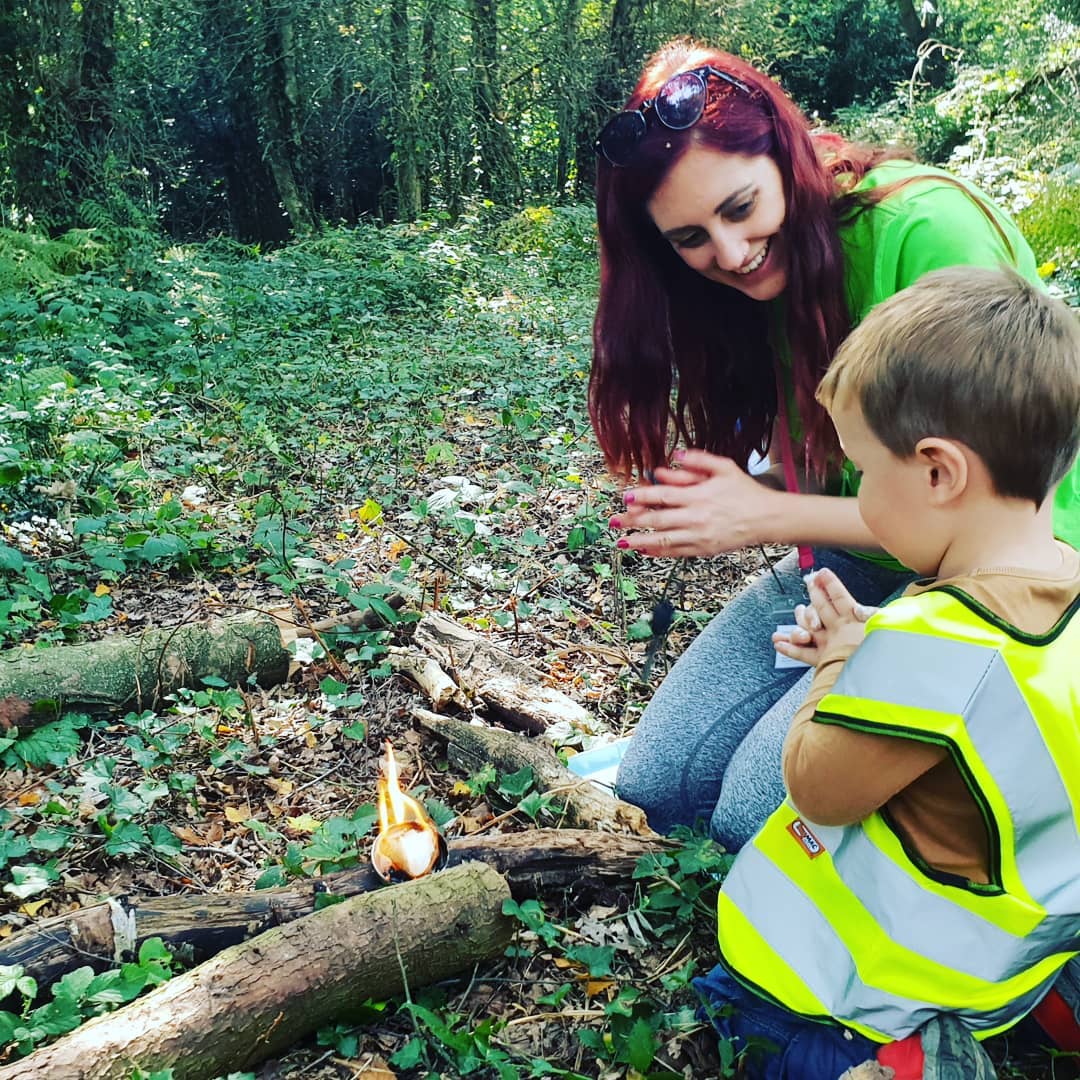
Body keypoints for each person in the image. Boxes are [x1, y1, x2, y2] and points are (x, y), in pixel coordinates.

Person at [591, 37, 1080, 851]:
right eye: (690, 240)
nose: (732, 253)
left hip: (991, 586)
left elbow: (987, 504)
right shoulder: (759, 281)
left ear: (784, 153)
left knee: (757, 817)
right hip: (857, 565)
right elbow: (835, 457)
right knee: (658, 788)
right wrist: (750, 485)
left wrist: (765, 515)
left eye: (741, 209)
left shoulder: (921, 232)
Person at [696, 264, 1080, 1078]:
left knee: (734, 1023)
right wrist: (880, 646)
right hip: (1010, 941)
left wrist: (838, 663)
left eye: (864, 470)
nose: (860, 494)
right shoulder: (1063, 590)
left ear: (938, 471)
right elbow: (990, 690)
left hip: (861, 984)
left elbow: (817, 789)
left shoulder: (926, 644)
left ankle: (908, 1064)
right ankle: (1038, 999)